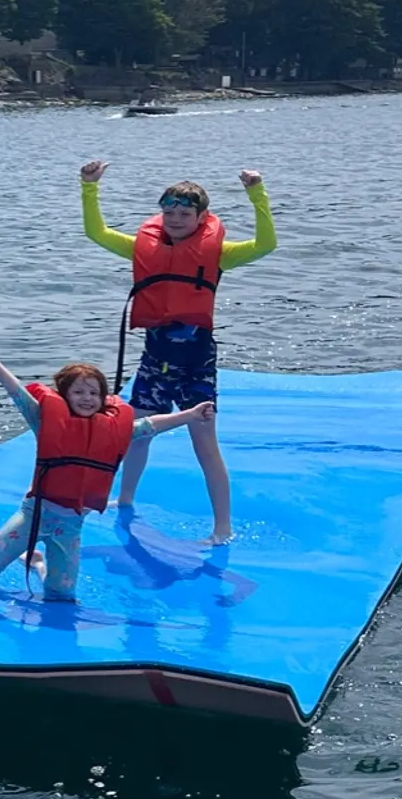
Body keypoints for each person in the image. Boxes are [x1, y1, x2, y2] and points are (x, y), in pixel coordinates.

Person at [78, 159, 276, 543]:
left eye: (184, 214)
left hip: (196, 363)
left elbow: (266, 245)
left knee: (204, 445)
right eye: (169, 213)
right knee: (136, 434)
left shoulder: (219, 253)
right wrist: (89, 187)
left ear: (201, 218)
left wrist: (256, 193)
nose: (175, 220)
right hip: (155, 359)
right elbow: (96, 233)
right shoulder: (143, 247)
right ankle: (126, 498)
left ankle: (222, 528)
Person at [0, 347, 214, 602]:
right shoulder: (44, 421)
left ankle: (38, 563)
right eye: (78, 392)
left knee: (61, 594)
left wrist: (190, 415)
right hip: (34, 515)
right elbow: (18, 394)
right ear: (64, 396)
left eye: (94, 393)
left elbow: (150, 426)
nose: (87, 398)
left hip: (71, 524)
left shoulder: (112, 431)